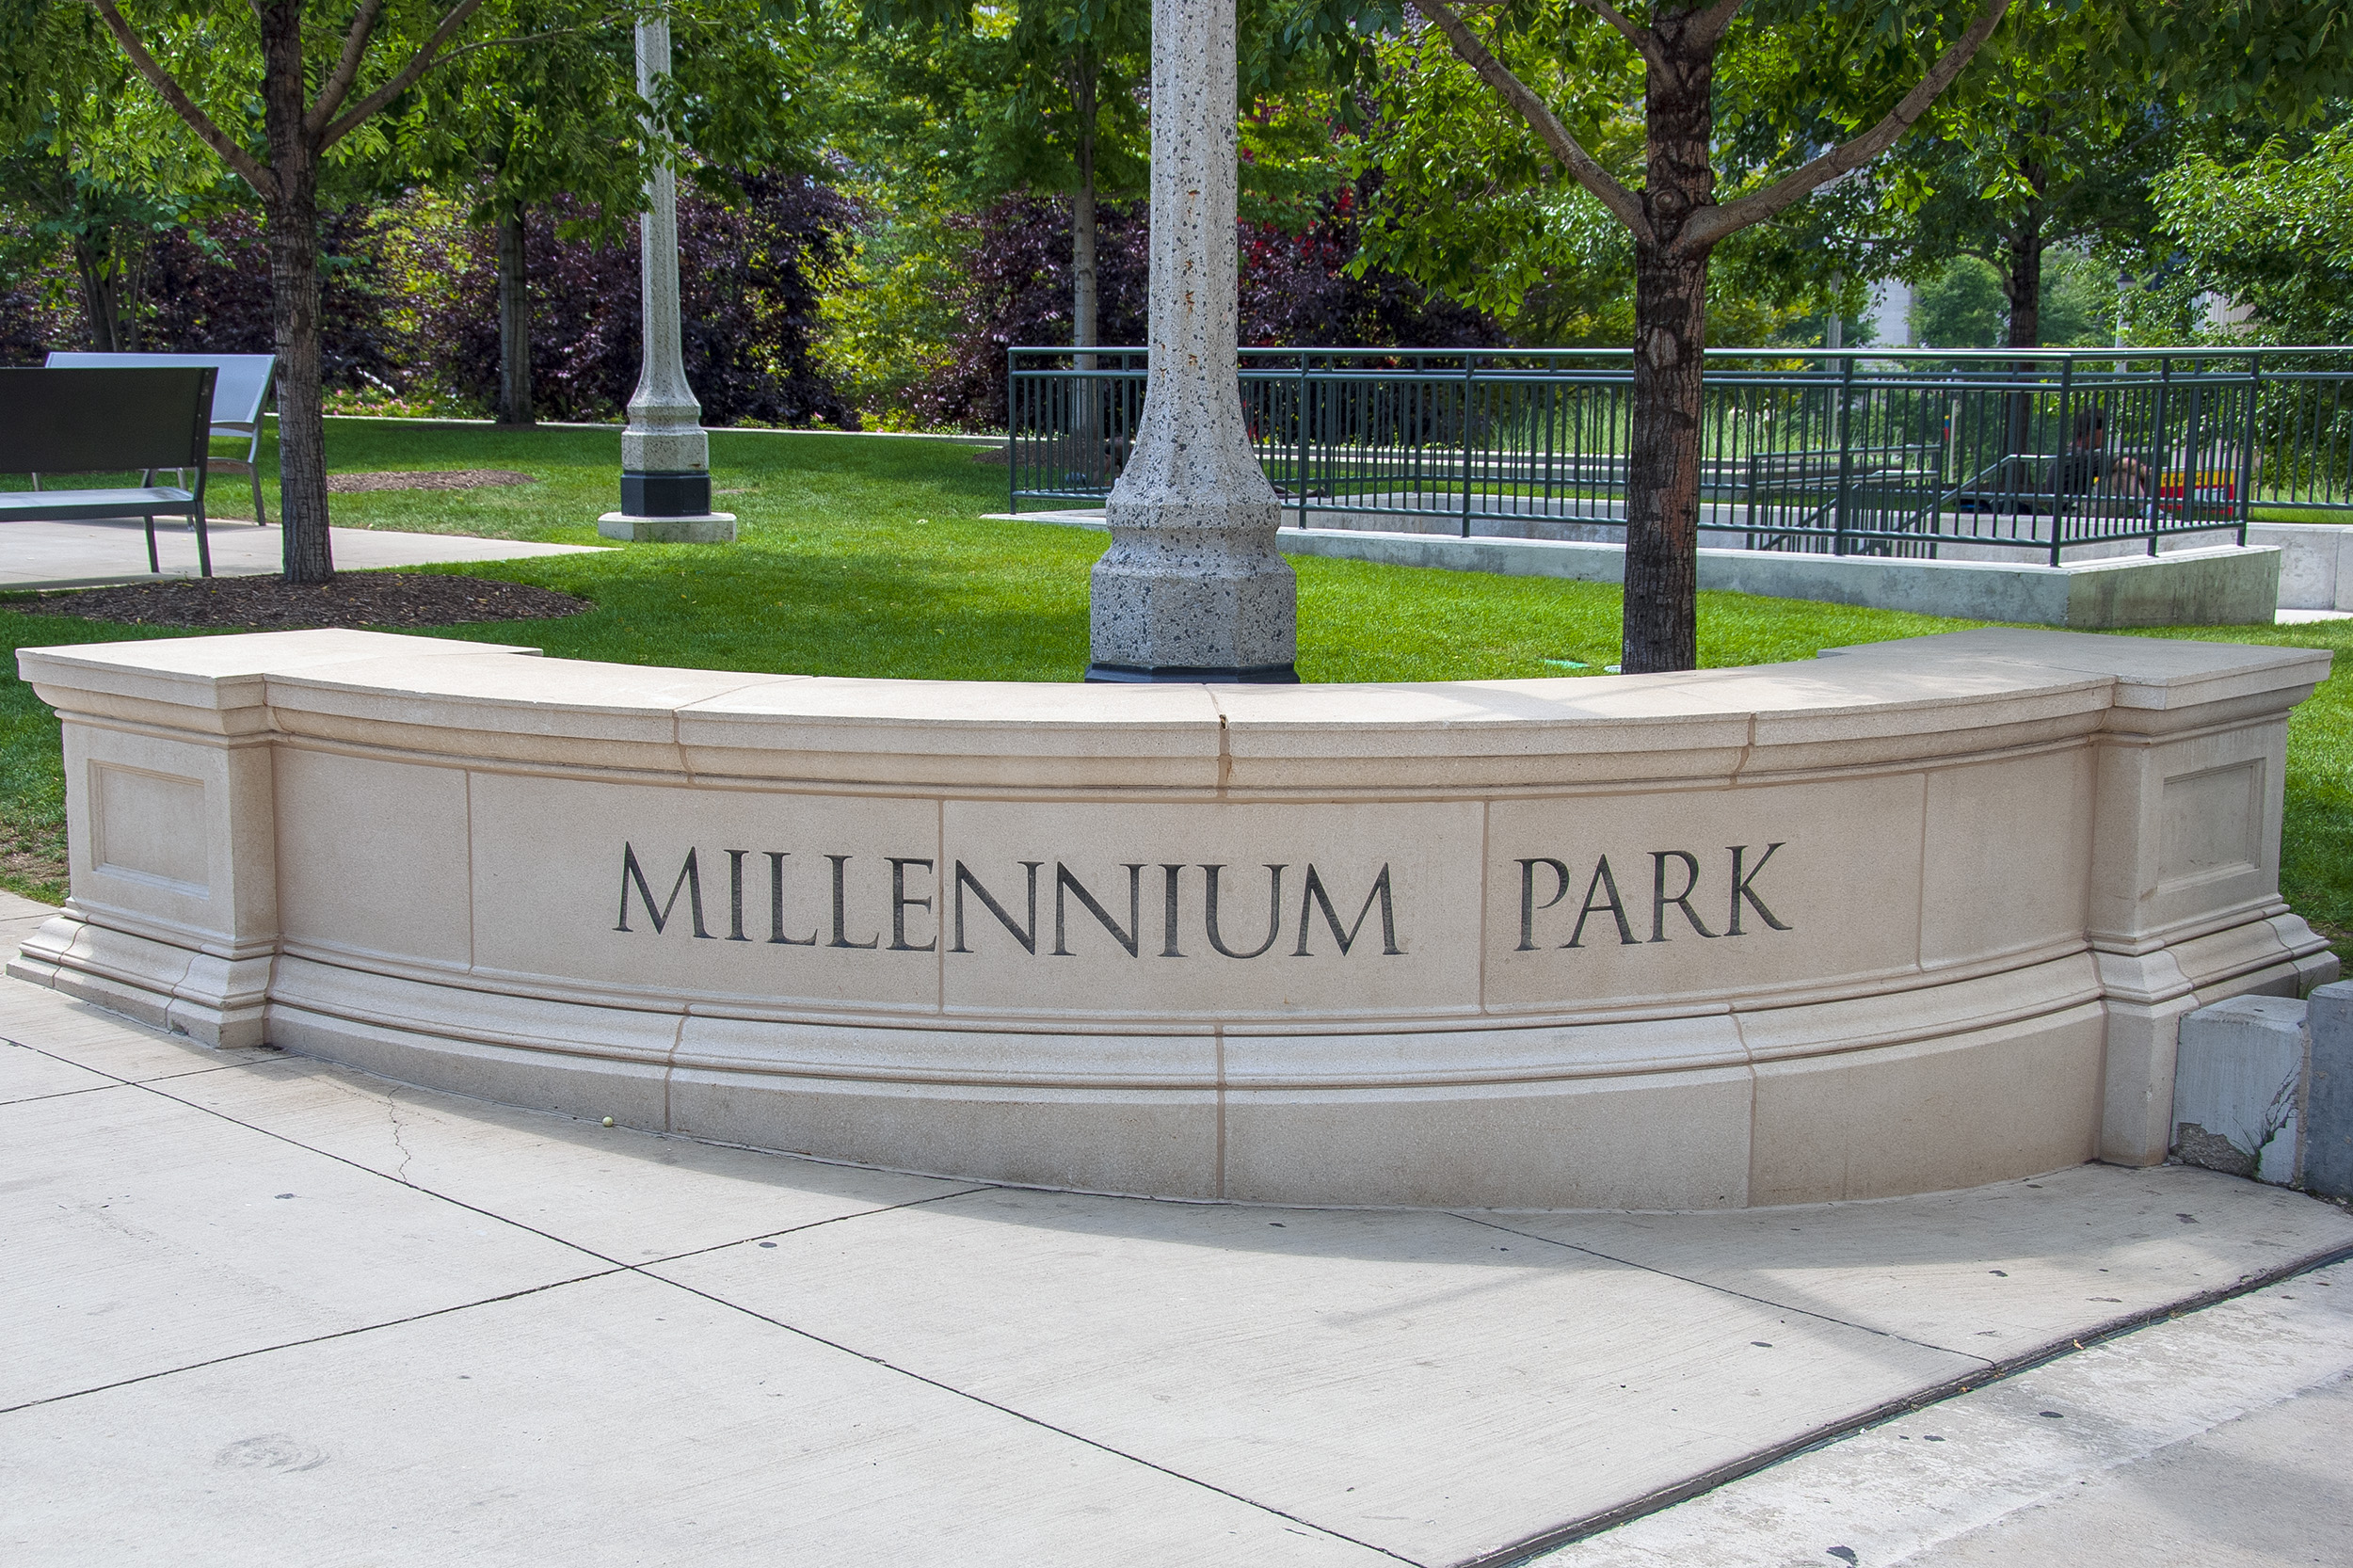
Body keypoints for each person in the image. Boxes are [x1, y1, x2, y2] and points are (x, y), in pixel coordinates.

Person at [2057, 406, 2151, 497]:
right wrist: (2147, 472)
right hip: (2073, 509)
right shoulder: (2081, 456)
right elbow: (2126, 464)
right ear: (2093, 431)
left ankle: (2147, 509)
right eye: (2102, 429)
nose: (2105, 435)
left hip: (2075, 505)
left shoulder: (2071, 452)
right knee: (2121, 476)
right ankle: (2151, 512)